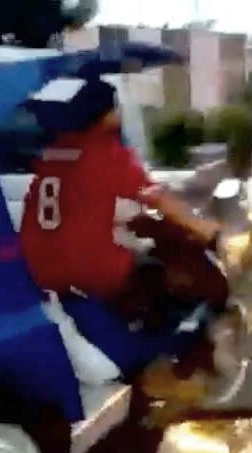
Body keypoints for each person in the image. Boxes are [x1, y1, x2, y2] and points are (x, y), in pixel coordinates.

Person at [19, 78, 223, 329]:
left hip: (40, 268)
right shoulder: (107, 152)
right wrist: (206, 229)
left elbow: (76, 203)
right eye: (116, 106)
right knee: (179, 281)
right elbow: (156, 198)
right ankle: (167, 344)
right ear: (106, 114)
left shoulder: (54, 152)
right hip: (93, 269)